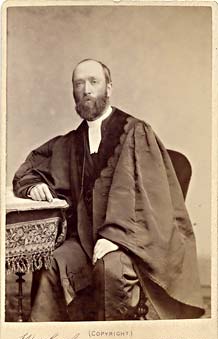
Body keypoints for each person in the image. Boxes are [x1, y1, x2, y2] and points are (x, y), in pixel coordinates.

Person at [13, 58, 204, 321]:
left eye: (94, 82)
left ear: (109, 88)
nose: (86, 90)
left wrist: (114, 236)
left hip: (131, 243)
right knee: (52, 262)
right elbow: (30, 167)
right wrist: (34, 186)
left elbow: (145, 199)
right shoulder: (71, 142)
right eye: (79, 83)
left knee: (110, 268)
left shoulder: (136, 132)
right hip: (85, 240)